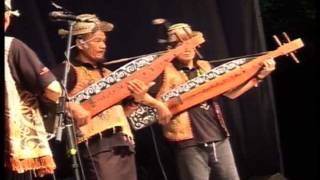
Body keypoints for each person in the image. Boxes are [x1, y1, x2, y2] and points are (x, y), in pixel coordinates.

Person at [147, 23, 276, 180]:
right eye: (180, 45)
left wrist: (259, 76)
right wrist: (159, 105)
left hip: (219, 137)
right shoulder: (164, 71)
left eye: (190, 43)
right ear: (169, 49)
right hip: (188, 143)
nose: (187, 49)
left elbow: (231, 93)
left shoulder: (205, 66)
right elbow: (141, 95)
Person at [52, 14, 172, 180]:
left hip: (123, 142)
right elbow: (47, 93)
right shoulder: (69, 71)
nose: (103, 46)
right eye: (97, 41)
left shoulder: (109, 74)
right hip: (96, 144)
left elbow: (124, 113)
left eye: (104, 41)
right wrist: (71, 106)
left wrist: (137, 97)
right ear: (80, 43)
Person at [4, 0, 63, 179]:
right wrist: (43, 109)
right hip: (15, 146)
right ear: (6, 18)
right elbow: (53, 89)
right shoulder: (11, 47)